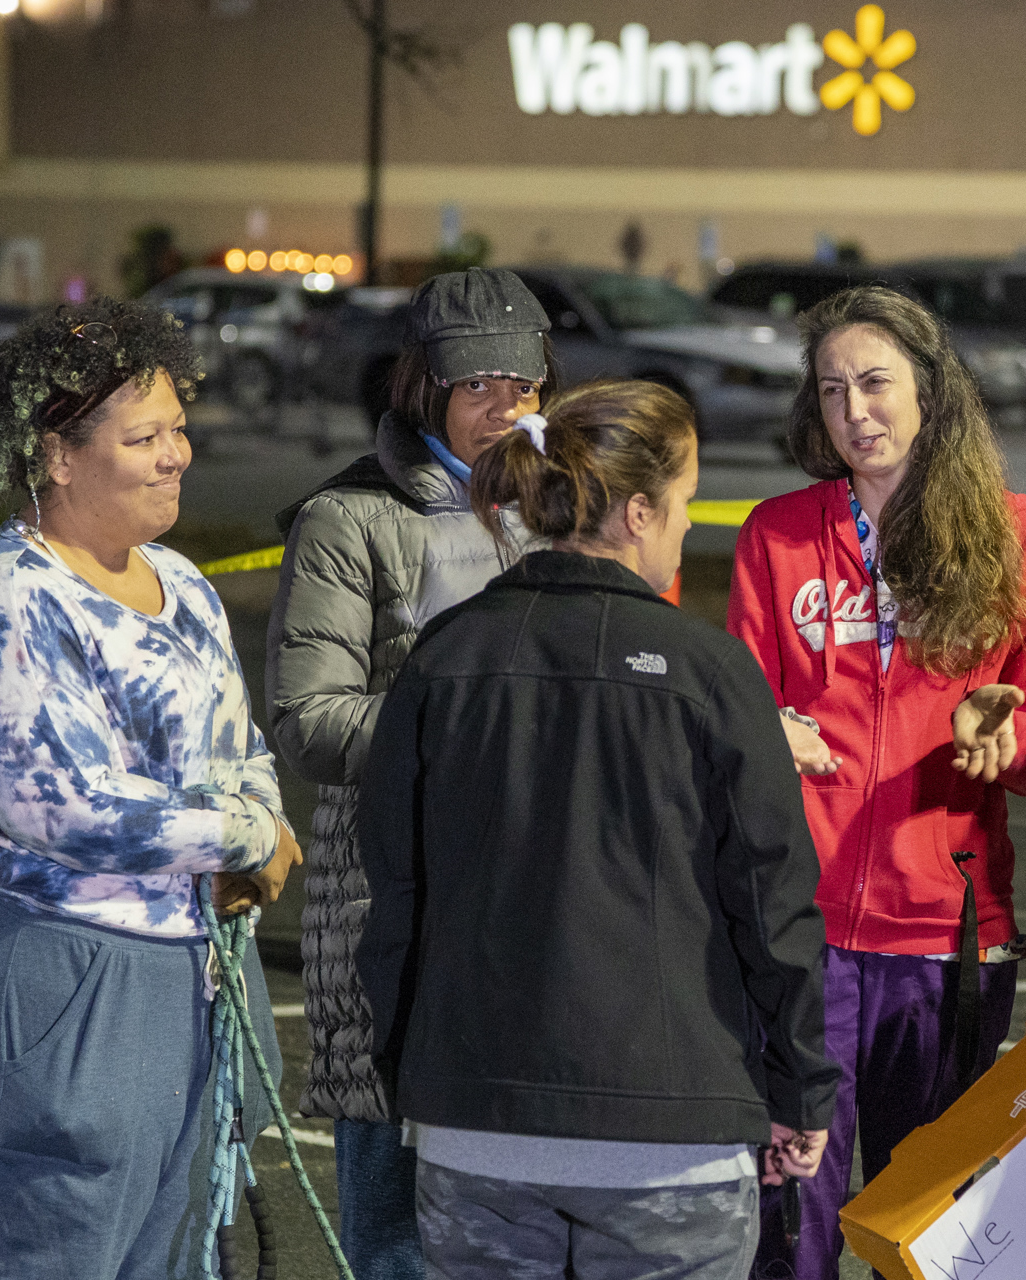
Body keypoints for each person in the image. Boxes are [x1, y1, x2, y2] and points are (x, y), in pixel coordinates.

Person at [353, 380, 840, 1279]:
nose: (690, 527)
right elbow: (773, 907)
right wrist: (801, 1088)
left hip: (477, 1125)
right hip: (672, 1136)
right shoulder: (709, 670)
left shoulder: (446, 657)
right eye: (688, 504)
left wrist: (410, 1071)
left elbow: (396, 893)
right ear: (641, 512)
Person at [0, 298, 302, 1279]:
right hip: (68, 970)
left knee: (181, 1245)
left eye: (178, 427)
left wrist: (252, 821)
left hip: (200, 971)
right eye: (145, 436)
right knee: (63, 1237)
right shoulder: (8, 599)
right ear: (58, 453)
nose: (177, 452)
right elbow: (62, 802)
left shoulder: (186, 583)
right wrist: (242, 835)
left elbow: (244, 744)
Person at [725, 285, 1026, 1278]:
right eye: (832, 390)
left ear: (931, 389)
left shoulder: (1016, 534)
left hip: (946, 940)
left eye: (876, 383)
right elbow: (738, 717)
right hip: (802, 939)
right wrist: (762, 732)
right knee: (790, 1229)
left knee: (932, 1235)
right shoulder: (777, 534)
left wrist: (1005, 740)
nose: (856, 411)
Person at [265, 267, 556, 1279]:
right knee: (394, 1230)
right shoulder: (350, 517)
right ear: (423, 384)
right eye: (479, 384)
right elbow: (310, 721)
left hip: (532, 908)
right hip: (386, 908)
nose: (504, 407)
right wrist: (476, 721)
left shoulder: (562, 512)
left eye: (524, 383)